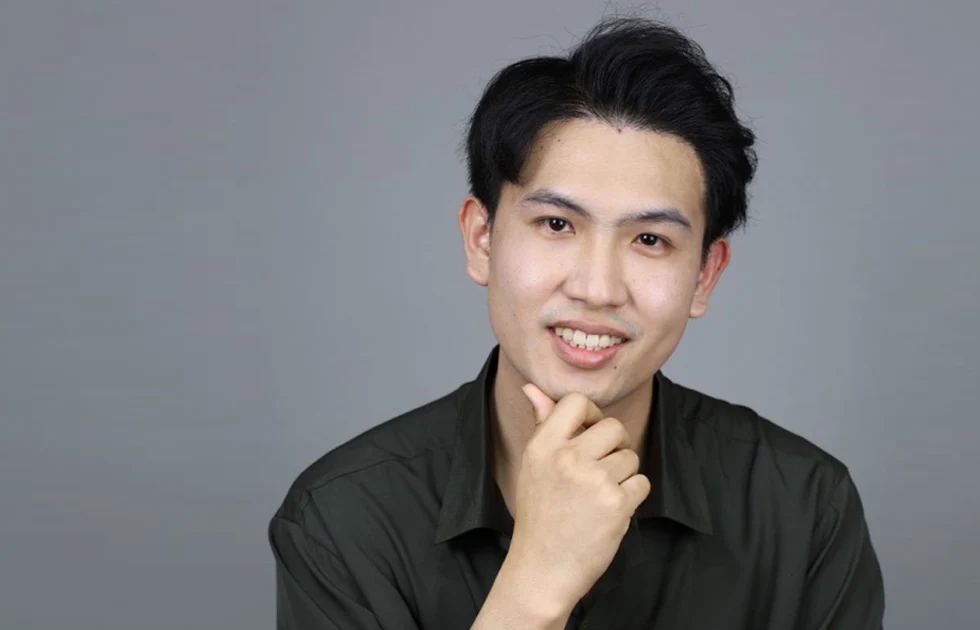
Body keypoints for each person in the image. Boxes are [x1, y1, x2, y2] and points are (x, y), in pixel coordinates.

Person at [269, 15, 885, 630]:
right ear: (482, 239)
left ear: (704, 275)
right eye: (557, 225)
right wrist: (536, 583)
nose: (597, 289)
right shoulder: (341, 518)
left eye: (650, 239)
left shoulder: (804, 506)